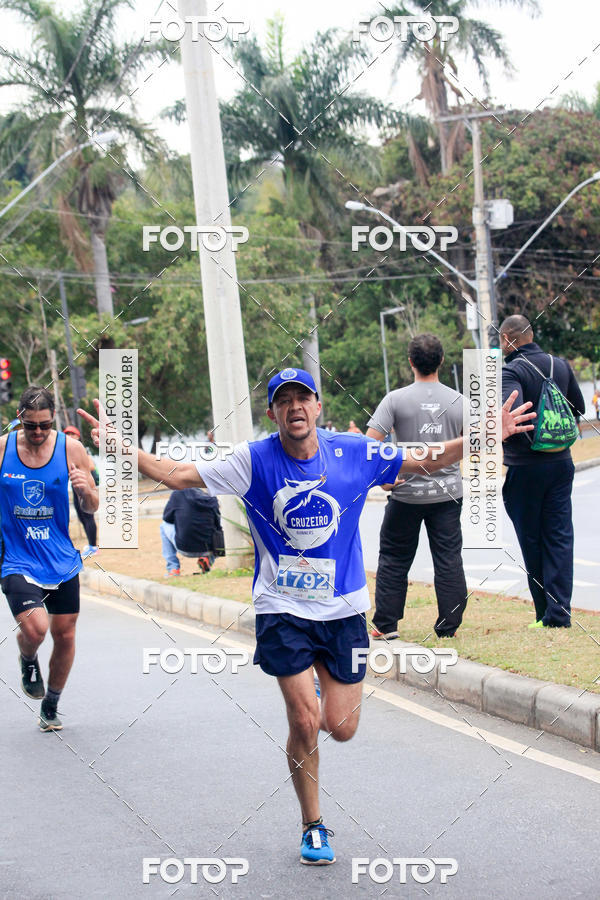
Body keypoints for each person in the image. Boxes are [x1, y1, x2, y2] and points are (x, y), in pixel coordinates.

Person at [79, 369, 533, 865]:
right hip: (282, 609)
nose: (294, 407)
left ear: (317, 407)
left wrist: (486, 434)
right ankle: (312, 824)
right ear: (272, 413)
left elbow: (425, 458)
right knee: (305, 719)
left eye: (303, 398)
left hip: (344, 612)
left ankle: (317, 696)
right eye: (283, 401)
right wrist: (123, 448)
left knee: (341, 727)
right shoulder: (253, 461)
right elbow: (178, 474)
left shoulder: (354, 453)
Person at [0, 386, 98, 731]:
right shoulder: (3, 449)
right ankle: (27, 656)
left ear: (53, 417)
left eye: (44, 424)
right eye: (31, 426)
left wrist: (87, 490)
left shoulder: (71, 448)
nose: (38, 432)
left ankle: (51, 704)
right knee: (36, 628)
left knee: (65, 635)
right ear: (19, 420)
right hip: (16, 558)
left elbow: (91, 506)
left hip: (60, 559)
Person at [366, 334, 467, 639]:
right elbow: (476, 443)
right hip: (449, 494)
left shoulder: (395, 400)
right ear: (441, 360)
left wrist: (384, 479)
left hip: (406, 495)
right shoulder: (459, 401)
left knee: (394, 558)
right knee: (449, 558)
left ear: (410, 362)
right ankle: (448, 628)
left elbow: (371, 446)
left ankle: (386, 625)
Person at [500, 315, 585, 629]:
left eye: (500, 340)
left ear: (509, 339)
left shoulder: (511, 370)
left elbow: (516, 416)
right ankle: (560, 614)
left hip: (526, 467)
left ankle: (543, 613)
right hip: (562, 462)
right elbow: (578, 407)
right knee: (560, 536)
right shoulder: (559, 365)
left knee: (532, 538)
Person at [160, 487, 222, 576]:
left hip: (185, 547)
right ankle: (207, 559)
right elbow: (217, 524)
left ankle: (173, 569)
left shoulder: (178, 493)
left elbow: (167, 518)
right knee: (215, 529)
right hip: (209, 549)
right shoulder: (211, 497)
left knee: (163, 526)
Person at [63, 425, 99, 558]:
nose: (70, 436)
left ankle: (94, 546)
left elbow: (90, 466)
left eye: (72, 434)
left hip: (85, 485)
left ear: (78, 436)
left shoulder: (81, 450)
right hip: (75, 486)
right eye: (67, 434)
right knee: (81, 516)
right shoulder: (67, 451)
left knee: (88, 516)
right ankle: (91, 545)